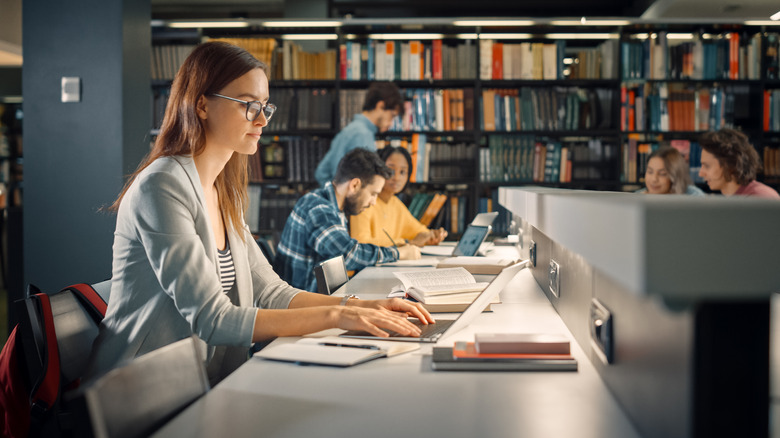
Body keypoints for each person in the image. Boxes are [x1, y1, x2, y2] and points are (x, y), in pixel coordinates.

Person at [86, 42, 433, 385]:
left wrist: (359, 306)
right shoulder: (162, 186)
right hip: (137, 393)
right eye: (249, 105)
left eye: (266, 106)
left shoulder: (224, 190)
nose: (262, 119)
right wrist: (338, 315)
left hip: (201, 382)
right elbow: (212, 318)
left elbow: (272, 293)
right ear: (202, 105)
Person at [274, 148, 422, 293]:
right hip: (301, 307)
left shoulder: (334, 207)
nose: (373, 202)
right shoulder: (318, 208)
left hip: (319, 300)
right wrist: (397, 253)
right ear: (355, 185)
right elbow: (347, 254)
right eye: (373, 194)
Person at [350, 146, 448, 246]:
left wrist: (432, 236)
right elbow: (360, 243)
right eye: (391, 171)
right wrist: (406, 243)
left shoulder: (395, 203)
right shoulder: (364, 202)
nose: (396, 178)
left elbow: (419, 232)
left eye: (402, 172)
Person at [314, 82, 404, 187]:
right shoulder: (362, 135)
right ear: (380, 106)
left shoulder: (354, 129)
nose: (391, 123)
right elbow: (363, 183)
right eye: (392, 116)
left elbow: (321, 172)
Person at [698, 128, 780, 199]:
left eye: (707, 166)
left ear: (730, 164)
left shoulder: (761, 198)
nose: (700, 174)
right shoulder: (734, 200)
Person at [636, 147, 705, 195]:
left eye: (662, 174)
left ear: (675, 176)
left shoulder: (694, 195)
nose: (654, 179)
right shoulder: (636, 196)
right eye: (650, 172)